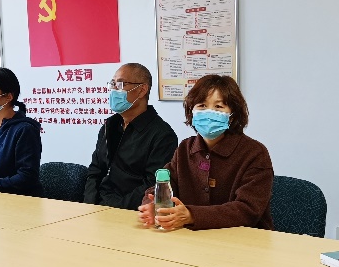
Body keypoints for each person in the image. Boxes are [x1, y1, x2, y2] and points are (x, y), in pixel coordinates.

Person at [138, 74, 274, 231]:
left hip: (245, 238)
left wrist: (192, 215)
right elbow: (164, 183)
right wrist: (153, 204)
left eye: (219, 106)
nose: (209, 112)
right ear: (192, 111)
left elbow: (248, 210)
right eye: (202, 105)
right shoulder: (185, 148)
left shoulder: (255, 153)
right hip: (192, 237)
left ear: (232, 115)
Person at [84, 63, 178, 209]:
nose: (114, 90)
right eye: (113, 84)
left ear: (142, 90)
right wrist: (89, 204)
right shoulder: (109, 126)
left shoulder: (163, 135)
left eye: (120, 84)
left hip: (131, 211)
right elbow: (95, 170)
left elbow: (153, 185)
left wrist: (115, 209)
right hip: (97, 207)